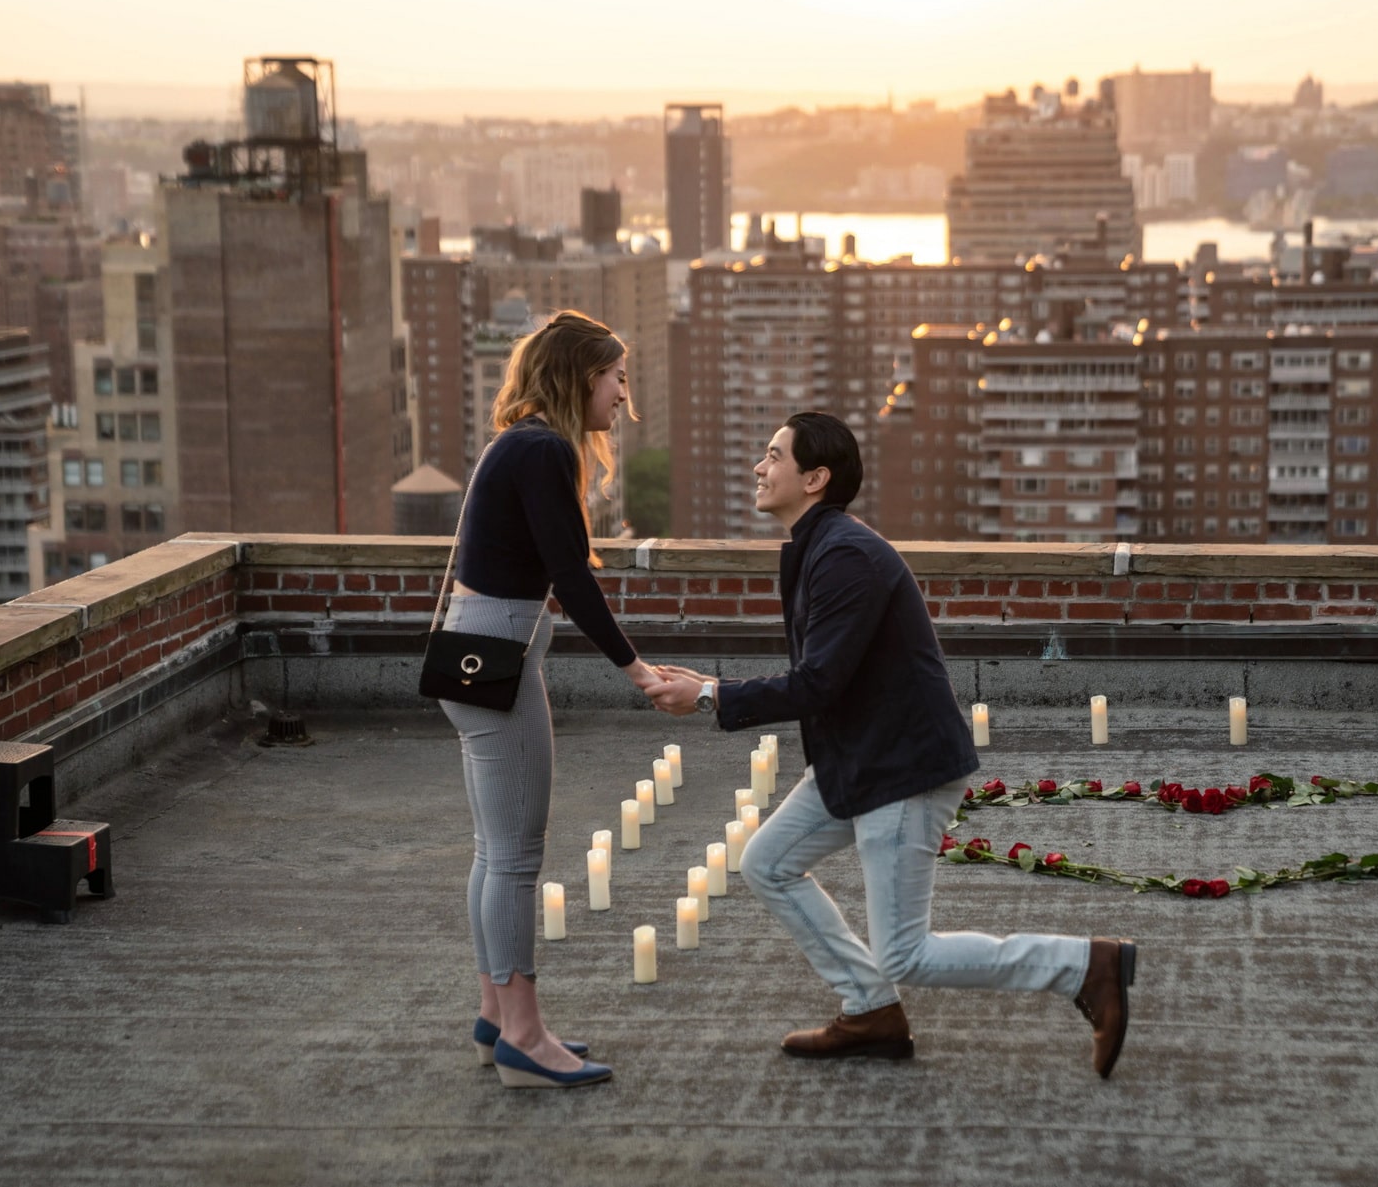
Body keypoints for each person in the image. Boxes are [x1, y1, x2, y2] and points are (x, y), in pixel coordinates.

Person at [647, 412, 1135, 1078]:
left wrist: (710, 694)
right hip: (860, 758)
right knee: (768, 861)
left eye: (772, 456)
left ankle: (1084, 964)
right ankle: (870, 1007)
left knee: (908, 952)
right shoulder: (819, 545)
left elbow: (818, 681)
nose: (759, 469)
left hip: (901, 768)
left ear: (815, 478)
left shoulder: (844, 554)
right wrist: (710, 687)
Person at [439, 310, 664, 1089]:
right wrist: (638, 670)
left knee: (492, 851)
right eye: (616, 377)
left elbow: (553, 574)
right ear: (580, 374)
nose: (623, 397)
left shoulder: (522, 443)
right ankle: (525, 1039)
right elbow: (573, 578)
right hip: (500, 649)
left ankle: (496, 1016)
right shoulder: (542, 449)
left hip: (477, 645)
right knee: (516, 855)